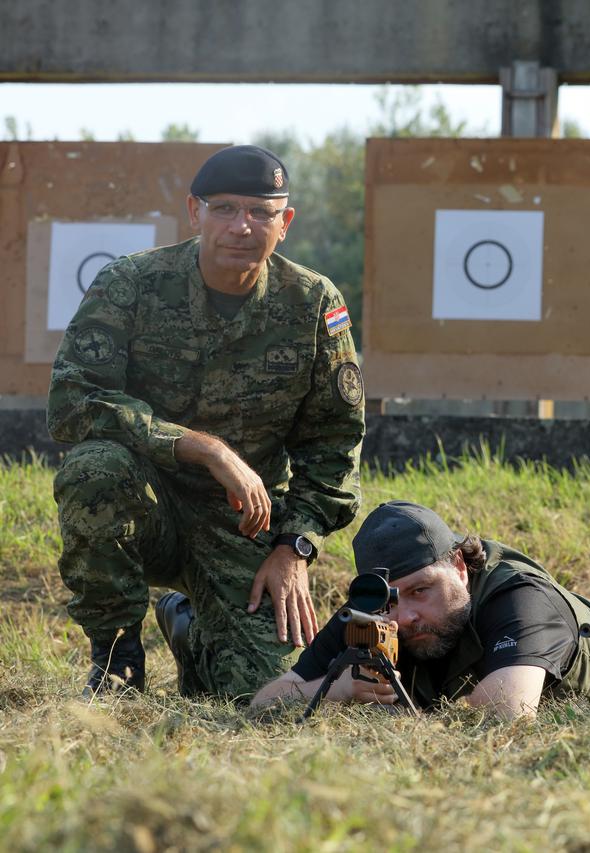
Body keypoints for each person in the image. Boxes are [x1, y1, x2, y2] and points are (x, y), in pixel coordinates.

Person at [48, 144, 365, 700]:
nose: (242, 226)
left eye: (260, 211)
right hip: (145, 499)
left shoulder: (313, 304)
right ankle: (118, 665)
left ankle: (188, 627)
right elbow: (75, 400)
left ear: (284, 222)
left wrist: (295, 548)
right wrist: (202, 448)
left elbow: (334, 444)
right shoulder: (132, 284)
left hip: (243, 522)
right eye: (224, 209)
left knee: (264, 694)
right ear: (194, 212)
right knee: (94, 467)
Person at [252, 501, 590, 718]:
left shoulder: (519, 598)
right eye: (391, 599)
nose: (404, 616)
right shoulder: (373, 612)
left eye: (421, 590)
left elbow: (505, 713)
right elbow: (266, 701)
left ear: (459, 566)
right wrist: (336, 689)